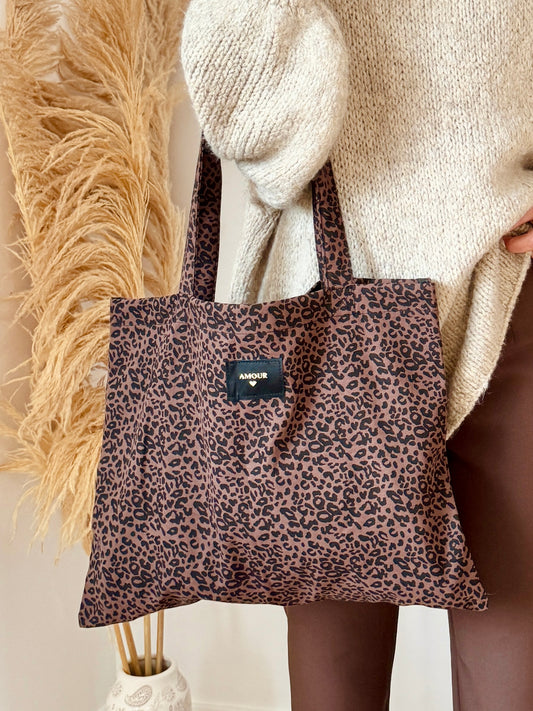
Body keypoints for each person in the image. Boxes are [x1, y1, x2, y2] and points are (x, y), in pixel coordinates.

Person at [181, 1, 533, 708]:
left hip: (508, 294)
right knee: (333, 688)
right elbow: (250, 128)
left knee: (514, 678)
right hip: (319, 329)